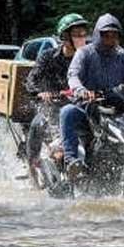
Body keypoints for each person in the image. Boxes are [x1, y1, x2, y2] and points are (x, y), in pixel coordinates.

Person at [60, 13, 124, 174]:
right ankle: (71, 161)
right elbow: (73, 75)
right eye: (106, 36)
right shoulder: (84, 53)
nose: (110, 40)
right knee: (67, 112)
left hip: (117, 110)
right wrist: (82, 91)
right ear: (97, 35)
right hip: (89, 108)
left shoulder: (121, 56)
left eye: (114, 36)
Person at [24, 13, 91, 176]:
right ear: (65, 36)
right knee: (36, 125)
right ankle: (32, 169)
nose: (82, 38)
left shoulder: (89, 58)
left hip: (80, 109)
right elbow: (31, 79)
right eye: (77, 35)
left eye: (83, 34)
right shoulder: (47, 56)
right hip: (51, 109)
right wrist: (40, 93)